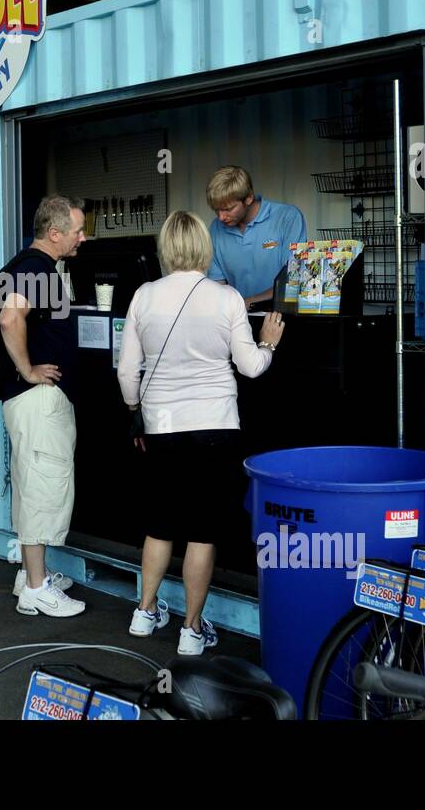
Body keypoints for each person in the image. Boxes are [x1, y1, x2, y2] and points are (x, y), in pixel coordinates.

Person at [117, 210, 285, 654]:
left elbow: (126, 370)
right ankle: (192, 630)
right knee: (202, 531)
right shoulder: (226, 298)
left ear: (166, 248)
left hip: (162, 427)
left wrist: (136, 409)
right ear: (204, 248)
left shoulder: (144, 296)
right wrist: (268, 341)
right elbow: (250, 367)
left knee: (160, 525)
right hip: (215, 427)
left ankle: (145, 611)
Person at [0, 195, 88, 617]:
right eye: (77, 232)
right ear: (55, 234)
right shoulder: (37, 269)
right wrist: (29, 369)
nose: (82, 238)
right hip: (36, 400)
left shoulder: (20, 263)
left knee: (29, 482)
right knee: (40, 487)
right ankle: (36, 587)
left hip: (26, 402)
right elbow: (9, 318)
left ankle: (32, 574)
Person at [205, 165, 307, 305]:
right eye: (216, 210)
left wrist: (248, 303)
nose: (221, 217)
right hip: (236, 318)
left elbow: (291, 282)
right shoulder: (216, 228)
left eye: (228, 209)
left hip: (280, 317)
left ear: (248, 198)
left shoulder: (288, 218)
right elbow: (217, 286)